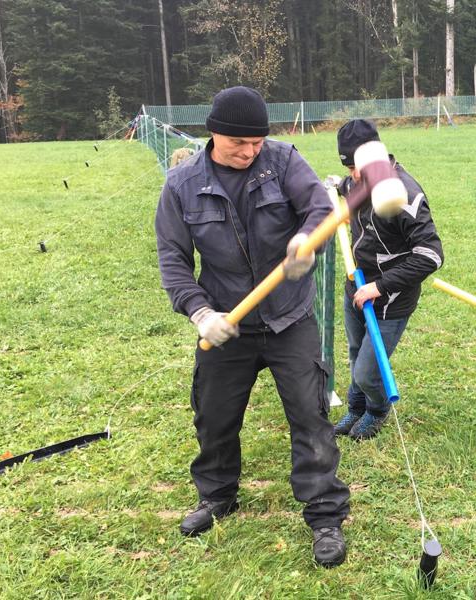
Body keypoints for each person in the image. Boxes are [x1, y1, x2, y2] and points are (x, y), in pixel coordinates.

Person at [154, 86, 350, 568]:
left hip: (290, 319)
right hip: (227, 322)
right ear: (212, 134)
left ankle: (324, 513)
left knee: (310, 416)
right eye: (238, 144)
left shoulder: (282, 162)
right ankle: (217, 496)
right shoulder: (181, 184)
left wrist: (307, 240)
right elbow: (174, 261)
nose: (249, 151)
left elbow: (320, 208)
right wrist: (200, 312)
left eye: (257, 142)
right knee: (214, 415)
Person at [329, 119, 444, 441]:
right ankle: (355, 408)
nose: (354, 176)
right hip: (357, 282)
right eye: (349, 168)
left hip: (389, 296)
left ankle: (377, 410)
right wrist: (334, 185)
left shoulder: (405, 193)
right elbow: (343, 186)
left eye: (357, 167)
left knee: (368, 370)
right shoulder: (354, 182)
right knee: (355, 352)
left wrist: (379, 287)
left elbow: (431, 255)